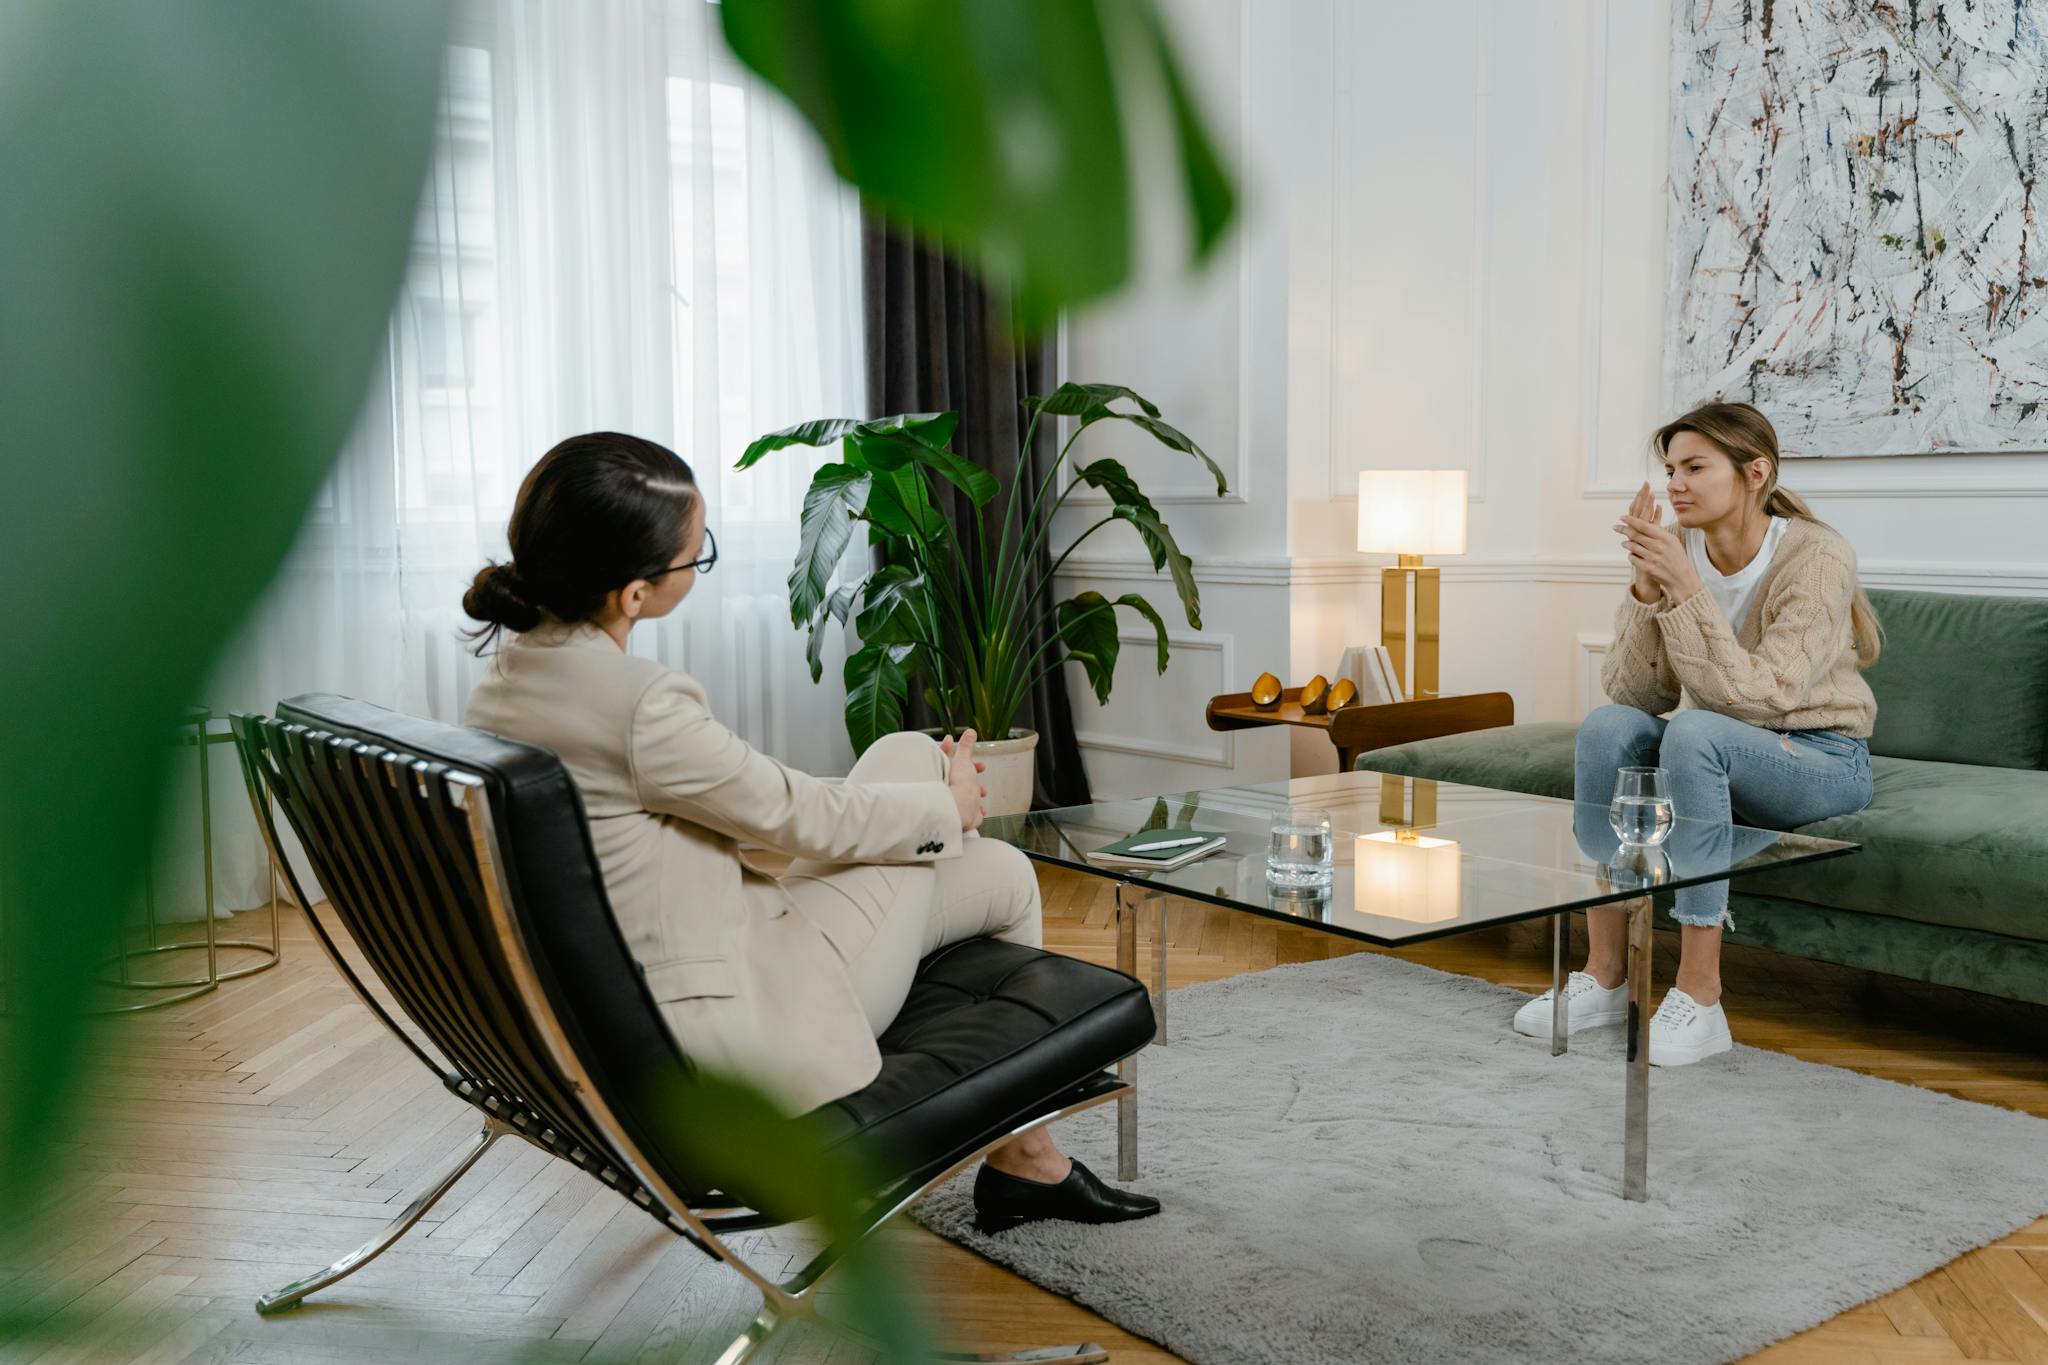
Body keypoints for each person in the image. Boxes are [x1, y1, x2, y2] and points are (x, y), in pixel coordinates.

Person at [460, 432, 1158, 1231]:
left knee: (988, 856)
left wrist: (933, 804)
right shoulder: (638, 706)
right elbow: (799, 817)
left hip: (662, 979)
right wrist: (948, 804)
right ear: (635, 593)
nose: (699, 567)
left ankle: (1026, 1160)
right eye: (697, 557)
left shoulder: (509, 683)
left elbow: (758, 811)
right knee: (934, 785)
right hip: (740, 1028)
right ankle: (1024, 1159)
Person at [1512, 402, 1880, 1065]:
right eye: (1670, 468)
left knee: (1695, 737)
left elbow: (1765, 697)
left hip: (1822, 756)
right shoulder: (1680, 548)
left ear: (1755, 472)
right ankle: (1603, 974)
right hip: (1722, 751)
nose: (1675, 482)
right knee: (1606, 729)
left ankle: (1701, 994)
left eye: (1695, 467)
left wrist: (1684, 589)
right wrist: (1646, 591)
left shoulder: (1817, 555)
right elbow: (1634, 694)